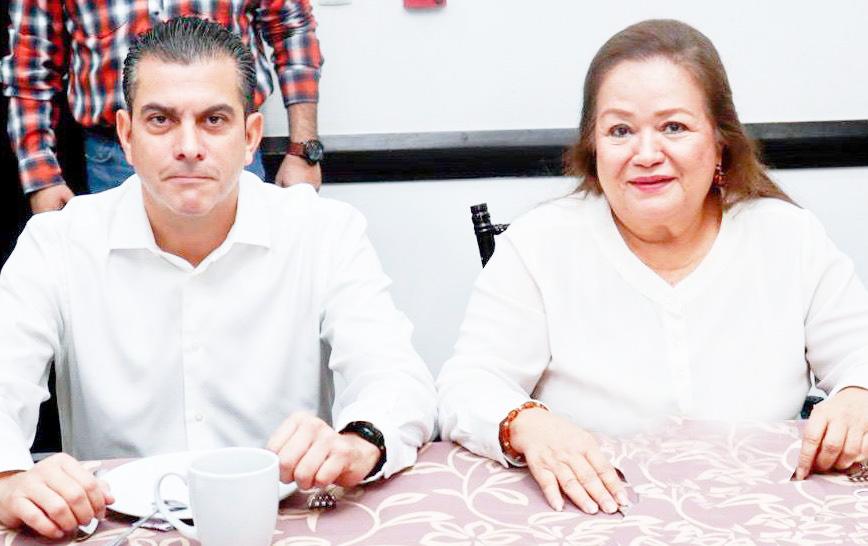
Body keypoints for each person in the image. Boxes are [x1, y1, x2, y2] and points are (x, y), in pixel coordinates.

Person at [0, 17, 436, 540]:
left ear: (250, 136)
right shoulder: (57, 243)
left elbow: (396, 376)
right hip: (114, 528)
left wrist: (359, 439)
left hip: (284, 524)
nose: (189, 146)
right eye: (160, 120)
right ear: (127, 135)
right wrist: (8, 477)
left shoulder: (323, 231)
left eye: (213, 120)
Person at [437, 19, 868, 517]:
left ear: (720, 141)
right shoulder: (539, 243)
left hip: (764, 508)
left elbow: (859, 353)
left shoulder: (788, 235)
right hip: (594, 511)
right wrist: (526, 422)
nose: (646, 154)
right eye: (620, 130)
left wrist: (857, 393)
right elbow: (468, 382)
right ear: (594, 145)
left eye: (673, 127)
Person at [1, 0, 324, 214]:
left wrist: (304, 150)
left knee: (241, 276)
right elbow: (30, 64)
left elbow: (292, 28)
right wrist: (41, 179)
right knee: (128, 284)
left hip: (226, 143)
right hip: (114, 157)